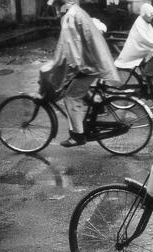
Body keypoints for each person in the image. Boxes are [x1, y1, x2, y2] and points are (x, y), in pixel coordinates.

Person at [39, 0, 120, 147]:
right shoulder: (77, 11)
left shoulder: (70, 17)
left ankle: (77, 136)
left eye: (57, 6)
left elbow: (73, 47)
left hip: (86, 65)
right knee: (75, 89)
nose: (57, 10)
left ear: (61, 5)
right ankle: (96, 105)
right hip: (91, 61)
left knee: (70, 98)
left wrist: (69, 69)